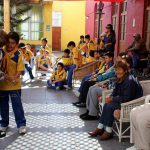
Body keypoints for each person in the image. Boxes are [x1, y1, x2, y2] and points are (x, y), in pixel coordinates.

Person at [88, 61, 143, 141]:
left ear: (125, 70)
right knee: (107, 104)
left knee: (109, 106)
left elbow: (127, 98)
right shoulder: (120, 78)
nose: (117, 72)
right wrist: (110, 97)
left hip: (131, 103)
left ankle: (107, 131)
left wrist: (112, 99)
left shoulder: (129, 80)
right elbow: (115, 92)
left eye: (119, 70)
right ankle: (101, 128)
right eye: (116, 70)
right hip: (123, 100)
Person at [80, 55, 134, 120]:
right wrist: (106, 84)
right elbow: (113, 79)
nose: (120, 62)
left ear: (128, 64)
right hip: (110, 87)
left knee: (94, 90)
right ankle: (89, 111)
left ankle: (93, 114)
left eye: (123, 62)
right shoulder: (119, 69)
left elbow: (123, 91)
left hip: (112, 90)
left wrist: (111, 97)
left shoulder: (129, 75)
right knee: (91, 88)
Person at [0, 32, 27, 138]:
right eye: (8, 42)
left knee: (17, 106)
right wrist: (5, 76)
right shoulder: (2, 52)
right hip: (2, 85)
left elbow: (20, 70)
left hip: (14, 85)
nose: (10, 45)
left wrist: (14, 78)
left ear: (17, 43)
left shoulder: (18, 54)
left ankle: (21, 125)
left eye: (13, 43)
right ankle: (4, 124)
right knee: (3, 106)